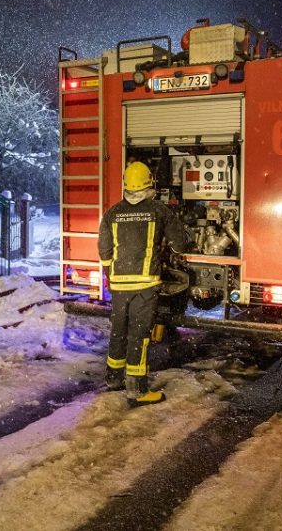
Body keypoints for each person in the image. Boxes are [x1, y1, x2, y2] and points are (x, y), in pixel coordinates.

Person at [98, 161, 184, 408]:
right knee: (138, 335)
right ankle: (136, 391)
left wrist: (109, 271)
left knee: (119, 330)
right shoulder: (159, 211)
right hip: (145, 285)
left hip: (119, 284)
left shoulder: (112, 213)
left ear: (126, 184)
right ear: (150, 183)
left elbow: (104, 247)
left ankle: (113, 379)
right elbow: (179, 243)